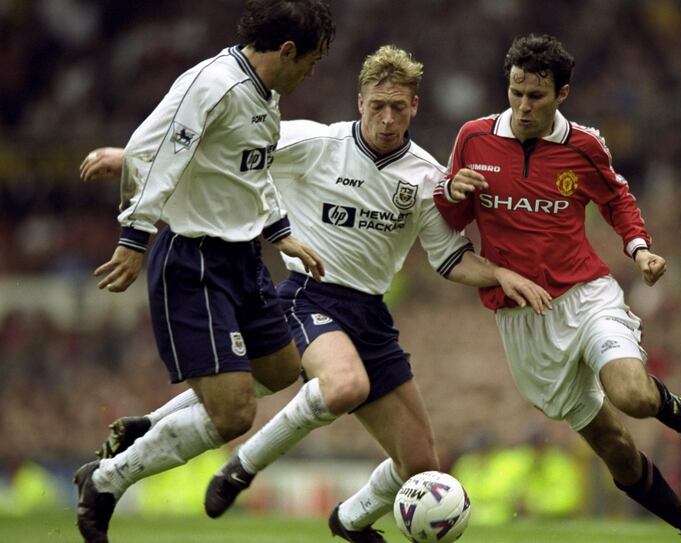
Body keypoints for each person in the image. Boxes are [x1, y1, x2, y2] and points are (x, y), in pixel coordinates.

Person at [79, 45, 551, 543]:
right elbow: (225, 152)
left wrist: (499, 274)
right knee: (342, 386)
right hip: (310, 296)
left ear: (415, 106)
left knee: (419, 465)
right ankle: (240, 467)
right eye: (377, 106)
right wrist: (132, 155)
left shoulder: (427, 177)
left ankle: (348, 520)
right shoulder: (315, 142)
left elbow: (449, 259)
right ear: (360, 101)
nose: (387, 119)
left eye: (398, 107)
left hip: (371, 315)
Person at [433, 34, 681, 543]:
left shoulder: (584, 145)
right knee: (612, 444)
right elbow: (454, 217)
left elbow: (617, 200)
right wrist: (452, 192)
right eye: (516, 93)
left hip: (586, 295)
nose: (524, 107)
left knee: (632, 396)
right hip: (522, 320)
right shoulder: (474, 138)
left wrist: (639, 249)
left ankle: (677, 409)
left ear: (562, 94)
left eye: (537, 97)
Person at [72, 2, 336, 542]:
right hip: (192, 260)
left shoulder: (265, 97)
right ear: (286, 51)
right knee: (235, 416)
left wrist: (281, 233)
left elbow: (251, 174)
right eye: (311, 61)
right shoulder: (212, 84)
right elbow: (163, 154)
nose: (312, 72)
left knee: (284, 369)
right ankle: (104, 481)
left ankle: (147, 426)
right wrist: (134, 238)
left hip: (242, 258)